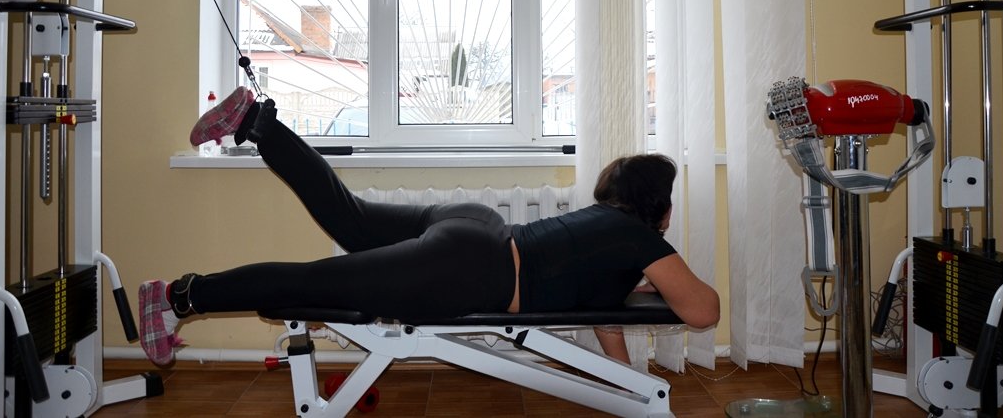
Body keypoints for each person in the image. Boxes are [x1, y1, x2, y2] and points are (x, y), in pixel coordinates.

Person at [139, 87, 719, 366]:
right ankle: (176, 297)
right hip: (472, 268)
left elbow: (606, 315)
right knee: (313, 282)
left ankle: (258, 123)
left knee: (348, 216)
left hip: (477, 228)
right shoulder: (640, 239)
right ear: (659, 208)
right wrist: (657, 275)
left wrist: (627, 384)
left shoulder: (607, 228)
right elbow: (704, 311)